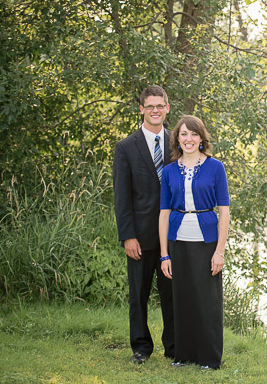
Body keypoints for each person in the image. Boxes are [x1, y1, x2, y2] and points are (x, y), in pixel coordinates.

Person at [159, 115, 230, 370]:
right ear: (177, 138)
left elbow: (224, 212)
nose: (188, 139)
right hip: (178, 240)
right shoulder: (168, 171)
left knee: (207, 300)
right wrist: (164, 254)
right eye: (184, 134)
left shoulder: (215, 167)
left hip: (207, 241)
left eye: (193, 134)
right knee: (182, 298)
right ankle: (183, 355)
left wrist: (219, 251)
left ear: (201, 139)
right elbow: (164, 213)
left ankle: (209, 358)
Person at [113, 85, 175, 364]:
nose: (154, 110)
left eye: (159, 105)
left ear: (167, 108)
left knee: (172, 295)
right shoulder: (126, 147)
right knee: (138, 296)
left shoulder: (178, 142)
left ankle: (174, 346)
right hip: (140, 236)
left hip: (173, 236)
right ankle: (141, 347)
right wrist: (128, 236)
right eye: (149, 106)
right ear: (141, 109)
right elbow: (122, 196)